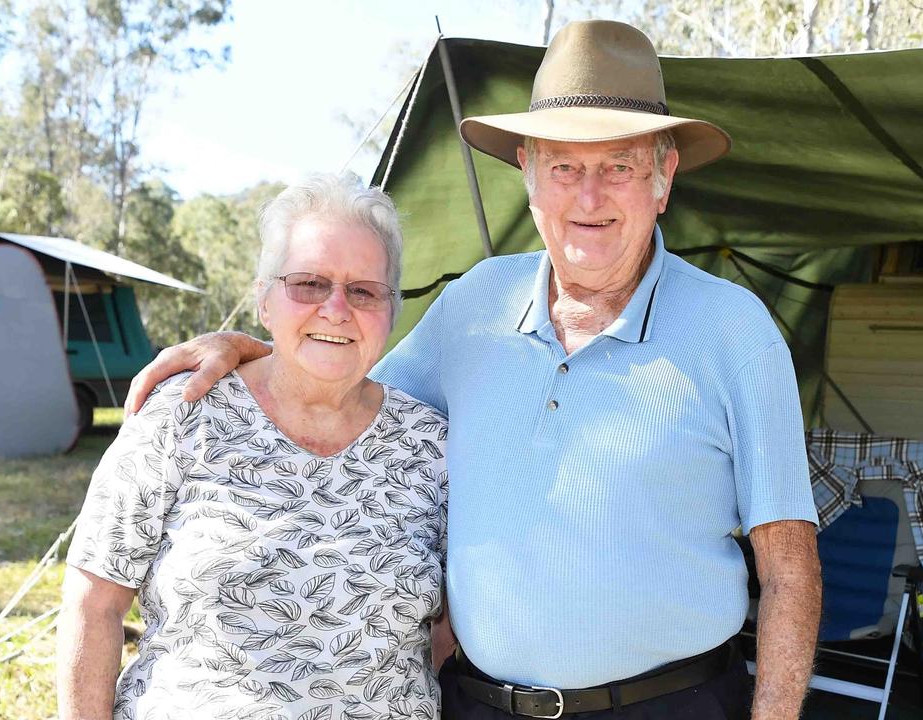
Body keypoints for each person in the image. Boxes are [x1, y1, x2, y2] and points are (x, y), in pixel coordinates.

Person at [126, 20, 821, 720]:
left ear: (663, 177)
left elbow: (790, 569)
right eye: (564, 167)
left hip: (674, 705)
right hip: (478, 705)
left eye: (618, 167)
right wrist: (253, 349)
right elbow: (343, 390)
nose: (589, 198)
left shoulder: (735, 331)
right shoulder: (474, 306)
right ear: (527, 174)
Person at [58, 173, 450, 720]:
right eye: (309, 283)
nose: (336, 308)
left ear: (392, 310)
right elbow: (93, 605)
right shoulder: (184, 413)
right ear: (265, 301)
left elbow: (447, 636)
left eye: (364, 290)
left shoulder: (431, 447)